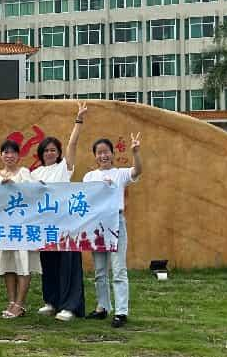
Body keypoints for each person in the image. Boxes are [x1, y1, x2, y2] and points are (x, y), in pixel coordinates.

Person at [34, 102, 88, 322]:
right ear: (41, 153)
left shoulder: (64, 167)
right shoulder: (35, 173)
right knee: (49, 264)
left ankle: (70, 306)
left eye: (53, 150)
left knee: (68, 265)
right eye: (46, 150)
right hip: (45, 225)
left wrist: (79, 120)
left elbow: (72, 145)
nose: (49, 153)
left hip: (66, 224)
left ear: (58, 153)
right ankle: (52, 301)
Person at [83, 133, 143, 328]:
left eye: (106, 152)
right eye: (99, 153)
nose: (103, 156)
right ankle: (102, 307)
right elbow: (86, 200)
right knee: (100, 270)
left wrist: (136, 152)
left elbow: (137, 171)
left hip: (116, 222)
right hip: (97, 225)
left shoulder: (120, 174)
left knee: (118, 269)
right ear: (95, 156)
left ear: (112, 154)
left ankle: (121, 312)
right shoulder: (89, 177)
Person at [0, 138, 41, 319]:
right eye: (6, 152)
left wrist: (14, 185)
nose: (9, 156)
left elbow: (32, 191)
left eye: (13, 152)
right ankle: (11, 302)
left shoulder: (24, 172)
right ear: (1, 155)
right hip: (4, 226)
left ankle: (20, 304)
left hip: (22, 226)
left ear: (18, 156)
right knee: (8, 265)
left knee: (23, 265)